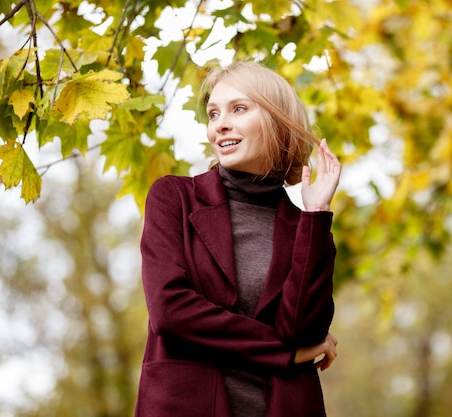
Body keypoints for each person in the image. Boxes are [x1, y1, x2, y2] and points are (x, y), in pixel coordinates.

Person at [134, 60, 342, 417]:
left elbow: (305, 331)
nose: (219, 125)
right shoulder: (174, 198)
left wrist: (316, 213)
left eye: (238, 109)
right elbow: (170, 311)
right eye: (213, 114)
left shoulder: (306, 229)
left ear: (277, 120)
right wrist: (284, 353)